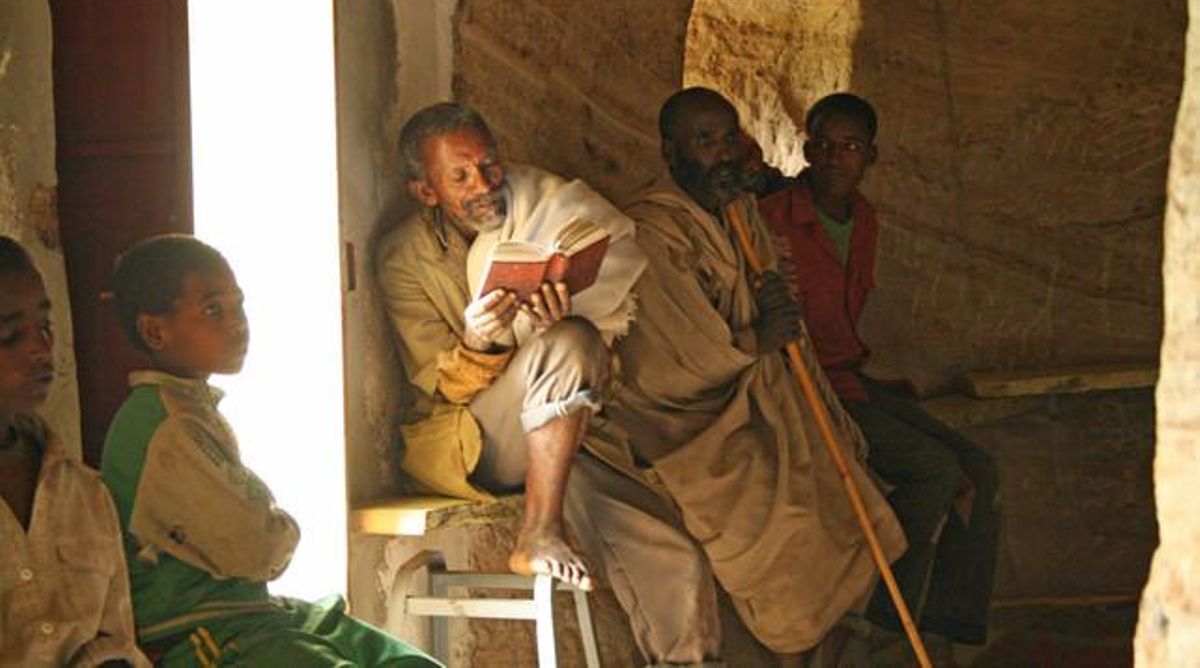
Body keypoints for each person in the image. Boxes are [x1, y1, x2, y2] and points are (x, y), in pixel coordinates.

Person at [378, 102, 722, 666]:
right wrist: (480, 343)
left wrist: (552, 314)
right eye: (460, 176)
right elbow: (440, 388)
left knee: (677, 558)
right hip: (475, 439)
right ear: (426, 192)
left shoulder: (535, 206)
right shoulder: (404, 259)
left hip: (561, 425)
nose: (485, 185)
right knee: (571, 342)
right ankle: (538, 532)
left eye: (489, 165)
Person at [593, 87, 906, 662]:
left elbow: (773, 309)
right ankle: (790, 650)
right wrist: (757, 338)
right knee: (785, 518)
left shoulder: (738, 212)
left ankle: (822, 652)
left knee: (849, 495)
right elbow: (673, 363)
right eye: (704, 141)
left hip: (758, 398)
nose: (722, 152)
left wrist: (776, 312)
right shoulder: (650, 233)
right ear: (670, 151)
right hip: (691, 422)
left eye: (728, 137)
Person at [101, 235, 437, 667]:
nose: (237, 322)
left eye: (237, 305)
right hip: (198, 633)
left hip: (253, 613)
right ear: (155, 331)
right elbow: (257, 547)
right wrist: (278, 525)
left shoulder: (190, 408)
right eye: (211, 310)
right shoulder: (164, 426)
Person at [758, 92, 1000, 649]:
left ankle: (944, 630)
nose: (833, 158)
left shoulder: (863, 219)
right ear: (805, 148)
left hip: (850, 377)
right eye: (822, 144)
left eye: (849, 146)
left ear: (872, 156)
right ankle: (884, 625)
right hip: (802, 385)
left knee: (980, 469)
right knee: (934, 471)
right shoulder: (772, 222)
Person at [0, 236, 148, 667]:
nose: (41, 351)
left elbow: (115, 641)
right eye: (8, 335)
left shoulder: (83, 493)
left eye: (45, 328)